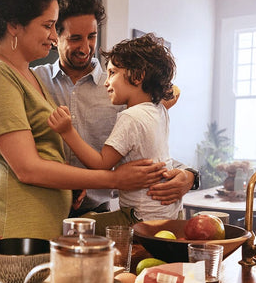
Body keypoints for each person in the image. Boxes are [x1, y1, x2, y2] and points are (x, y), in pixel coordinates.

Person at [0, 0, 166, 260]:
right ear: (14, 25)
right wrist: (114, 179)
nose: (51, 37)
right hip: (9, 234)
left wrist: (186, 176)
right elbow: (27, 167)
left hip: (43, 232)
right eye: (48, 26)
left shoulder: (27, 76)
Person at [0, 0, 200, 219]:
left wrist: (189, 176)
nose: (85, 48)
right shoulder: (33, 78)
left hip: (95, 211)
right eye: (75, 38)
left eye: (91, 36)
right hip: (41, 206)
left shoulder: (120, 87)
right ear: (56, 35)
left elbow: (148, 149)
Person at [49, 33, 181, 235]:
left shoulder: (130, 117)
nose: (106, 82)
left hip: (137, 218)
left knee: (79, 225)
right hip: (169, 214)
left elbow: (101, 163)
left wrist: (67, 132)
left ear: (138, 76)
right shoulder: (159, 110)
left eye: (112, 73)